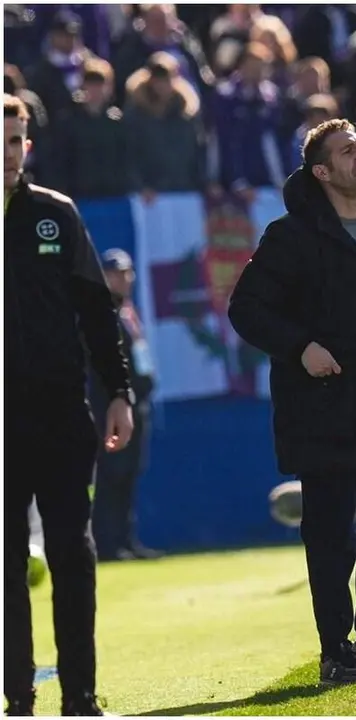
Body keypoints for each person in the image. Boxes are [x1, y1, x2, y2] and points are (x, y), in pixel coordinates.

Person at [228, 118, 356, 686]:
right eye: (347, 152)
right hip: (321, 409)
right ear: (321, 171)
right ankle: (336, 654)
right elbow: (246, 309)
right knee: (331, 536)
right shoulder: (291, 235)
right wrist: (301, 348)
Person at [4, 93, 135, 716]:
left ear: (28, 144)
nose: (8, 153)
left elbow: (96, 311)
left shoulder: (56, 213)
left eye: (15, 140)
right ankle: (17, 695)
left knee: (72, 554)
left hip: (61, 413)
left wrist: (119, 392)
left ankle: (80, 696)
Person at [89, 248, 161, 562]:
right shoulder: (100, 314)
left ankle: (126, 540)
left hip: (137, 406)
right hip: (113, 410)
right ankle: (107, 544)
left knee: (129, 474)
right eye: (115, 274)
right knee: (111, 475)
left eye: (126, 273)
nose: (123, 279)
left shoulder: (128, 312)